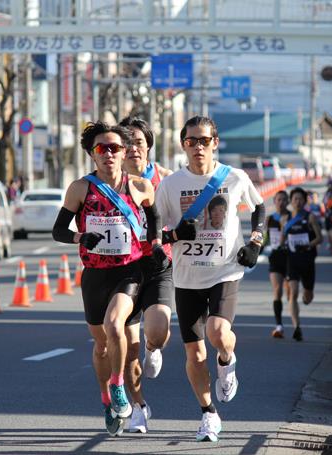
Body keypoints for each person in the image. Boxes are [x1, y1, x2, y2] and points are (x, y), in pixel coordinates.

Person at [51, 122, 168, 437]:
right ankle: (106, 398)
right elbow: (58, 230)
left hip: (128, 271)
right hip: (95, 275)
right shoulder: (80, 188)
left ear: (125, 151)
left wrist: (156, 245)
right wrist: (80, 237)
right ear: (92, 154)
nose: (109, 154)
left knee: (116, 325)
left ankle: (118, 386)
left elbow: (154, 218)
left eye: (115, 148)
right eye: (102, 149)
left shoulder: (141, 186)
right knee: (102, 344)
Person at [155, 116, 265, 442]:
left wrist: (255, 243)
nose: (198, 146)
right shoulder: (170, 185)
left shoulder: (234, 177)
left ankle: (227, 360)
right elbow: (154, 234)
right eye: (192, 141)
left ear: (215, 142)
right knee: (194, 355)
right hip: (187, 277)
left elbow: (259, 208)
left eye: (204, 140)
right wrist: (174, 233)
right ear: (183, 145)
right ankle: (208, 414)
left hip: (225, 270)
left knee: (218, 332)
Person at [118, 116, 195, 434]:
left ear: (148, 145)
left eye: (138, 141)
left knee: (158, 332)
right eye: (126, 143)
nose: (133, 148)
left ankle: (155, 347)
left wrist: (168, 239)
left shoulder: (167, 181)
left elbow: (186, 226)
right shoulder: (109, 184)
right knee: (126, 347)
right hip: (121, 271)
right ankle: (138, 407)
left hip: (158, 266)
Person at [281, 187, 323, 341]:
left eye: (300, 199)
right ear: (291, 202)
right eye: (295, 199)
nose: (297, 202)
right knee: (293, 293)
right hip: (292, 261)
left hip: (307, 260)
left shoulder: (310, 217)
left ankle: (307, 296)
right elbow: (282, 240)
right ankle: (296, 326)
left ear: (305, 201)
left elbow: (320, 238)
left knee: (307, 297)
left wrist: (308, 245)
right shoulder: (285, 220)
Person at [265, 190, 292, 338]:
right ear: (274, 202)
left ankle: (293, 315)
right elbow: (264, 240)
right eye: (278, 200)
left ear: (288, 202)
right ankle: (279, 325)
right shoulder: (270, 219)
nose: (281, 202)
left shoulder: (292, 217)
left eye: (284, 200)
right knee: (277, 290)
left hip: (290, 257)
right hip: (276, 257)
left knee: (290, 293)